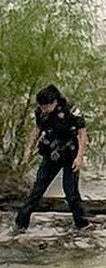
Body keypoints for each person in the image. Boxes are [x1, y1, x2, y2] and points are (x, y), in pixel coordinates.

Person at [11, 85, 90, 235]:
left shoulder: (71, 111)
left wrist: (80, 157)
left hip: (70, 155)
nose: (43, 109)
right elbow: (37, 130)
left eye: (46, 106)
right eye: (41, 106)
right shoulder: (41, 113)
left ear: (54, 102)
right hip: (51, 154)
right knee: (37, 190)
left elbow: (82, 134)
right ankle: (20, 225)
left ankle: (82, 225)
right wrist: (28, 149)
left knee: (71, 193)